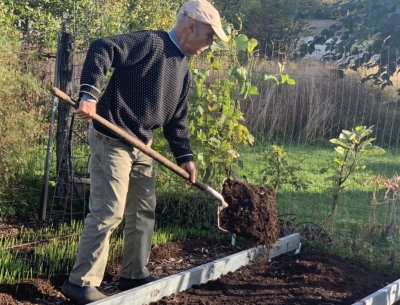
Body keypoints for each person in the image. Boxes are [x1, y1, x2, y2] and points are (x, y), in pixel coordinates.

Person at [60, 0, 228, 303]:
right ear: (192, 26)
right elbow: (102, 48)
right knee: (109, 210)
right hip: (111, 136)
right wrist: (89, 93)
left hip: (142, 146)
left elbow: (177, 121)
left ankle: (133, 274)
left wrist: (186, 159)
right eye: (209, 35)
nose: (209, 43)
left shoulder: (184, 72)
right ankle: (80, 282)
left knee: (143, 211)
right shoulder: (151, 43)